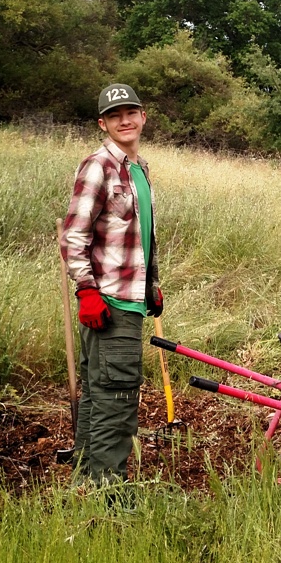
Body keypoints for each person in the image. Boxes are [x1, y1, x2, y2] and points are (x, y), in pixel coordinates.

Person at [60, 83, 163, 484]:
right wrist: (86, 290)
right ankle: (108, 494)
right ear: (102, 123)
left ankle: (84, 480)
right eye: (115, 115)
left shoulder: (138, 169)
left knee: (99, 393)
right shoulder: (97, 166)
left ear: (143, 116)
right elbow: (73, 236)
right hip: (109, 303)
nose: (125, 120)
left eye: (131, 112)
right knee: (116, 399)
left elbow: (138, 236)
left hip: (129, 297)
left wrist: (150, 283)